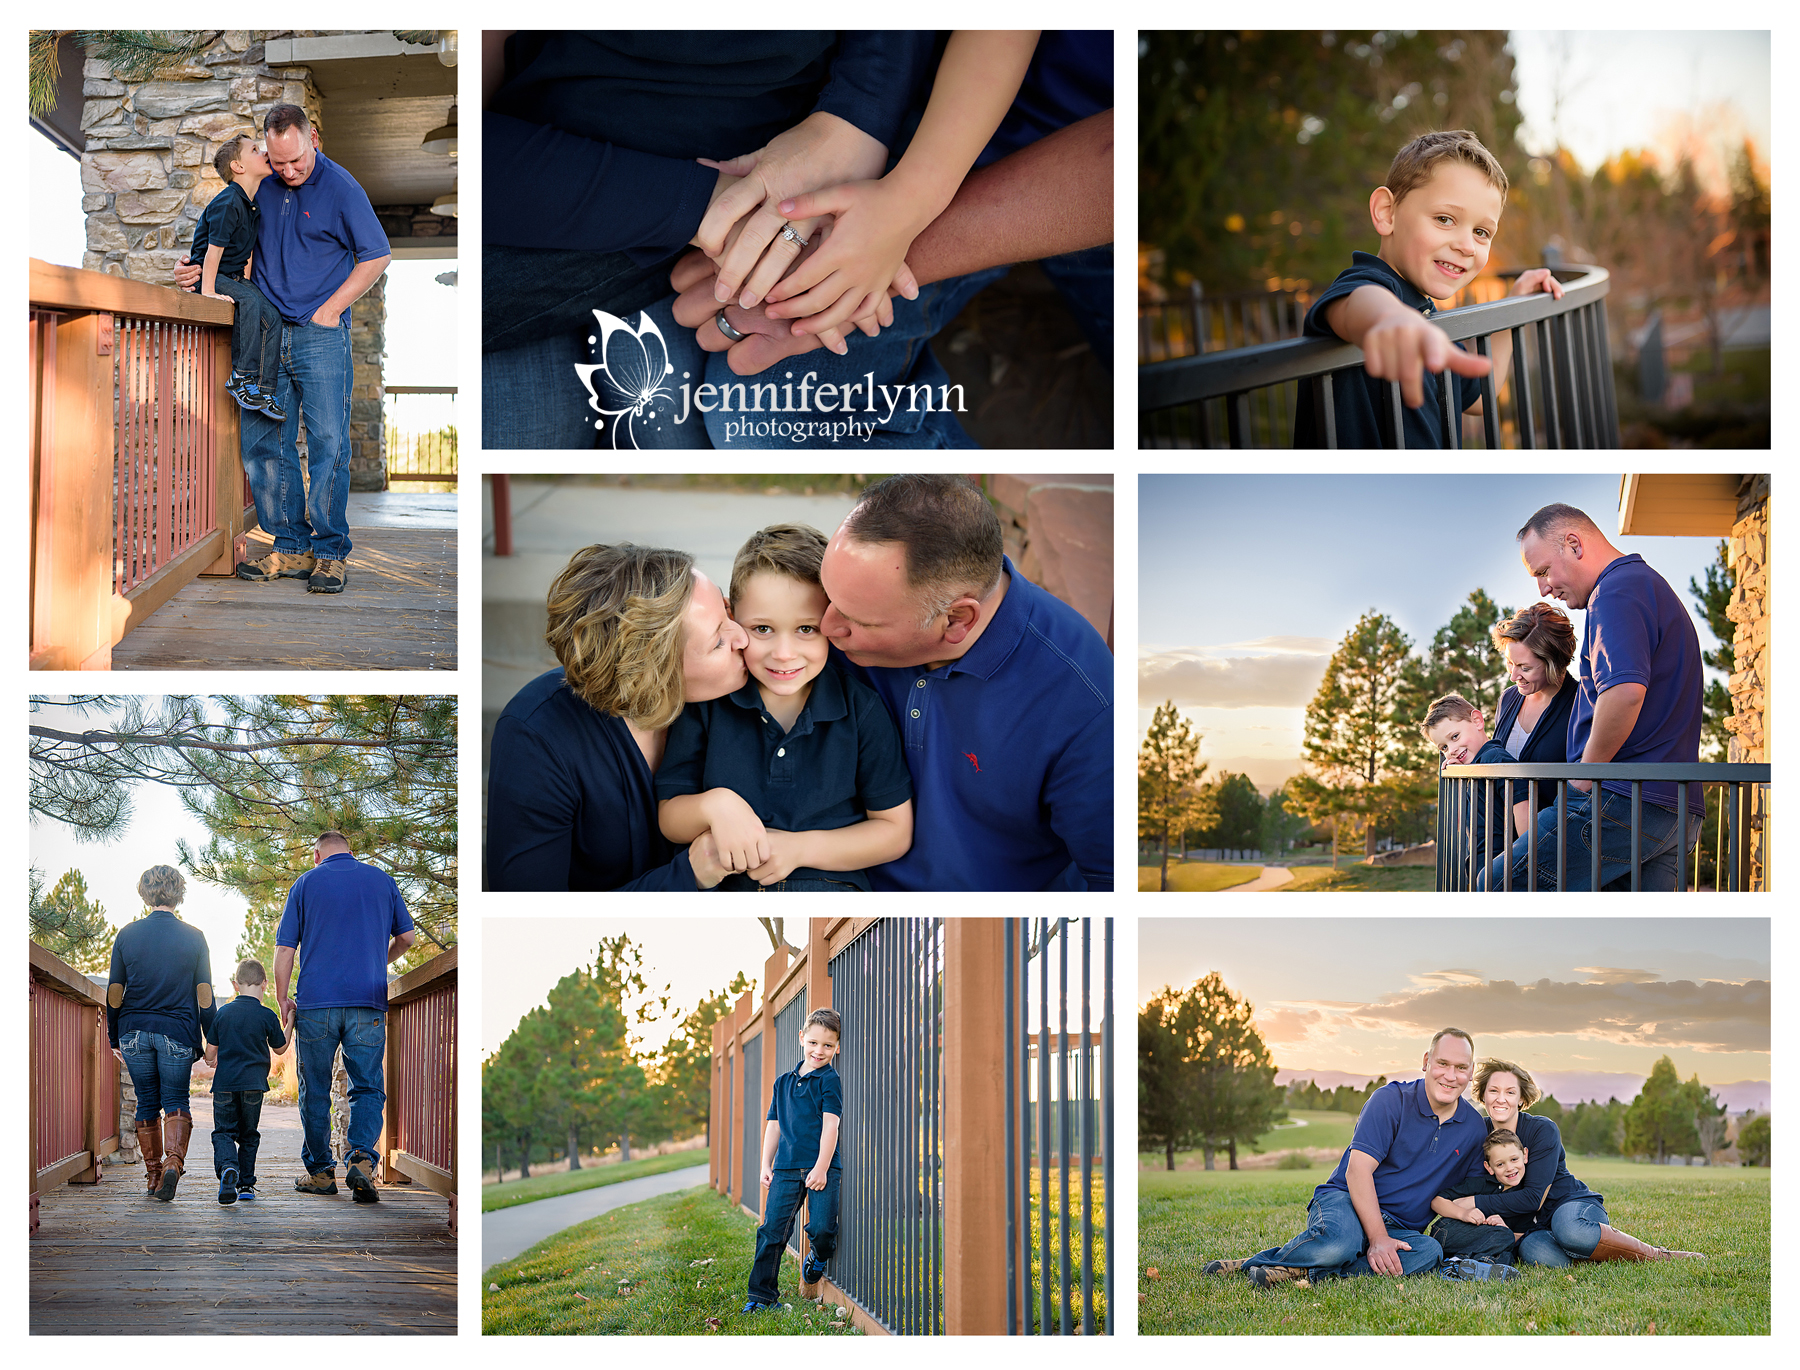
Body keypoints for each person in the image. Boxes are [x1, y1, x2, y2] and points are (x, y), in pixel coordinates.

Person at [818, 475, 1112, 889]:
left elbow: (1107, 882)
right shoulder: (850, 617)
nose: (825, 625)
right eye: (828, 596)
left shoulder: (1085, 701)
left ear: (957, 620)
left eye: (858, 620)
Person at [173, 103, 391, 595]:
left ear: (312, 137)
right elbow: (227, 244)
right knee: (265, 443)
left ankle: (331, 553)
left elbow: (376, 255)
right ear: (265, 151)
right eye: (277, 161)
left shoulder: (341, 186)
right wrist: (196, 273)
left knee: (327, 445)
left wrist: (331, 310)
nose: (288, 171)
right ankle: (290, 546)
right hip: (266, 334)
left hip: (319, 333)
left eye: (296, 160)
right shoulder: (257, 187)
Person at [656, 523, 914, 890]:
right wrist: (715, 805)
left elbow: (894, 831)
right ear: (733, 618)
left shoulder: (861, 710)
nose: (783, 653)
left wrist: (798, 849)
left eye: (806, 629)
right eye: (762, 629)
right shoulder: (708, 705)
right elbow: (670, 815)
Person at [485, 544, 743, 890]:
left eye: (727, 611)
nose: (742, 636)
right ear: (654, 670)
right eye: (718, 642)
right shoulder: (536, 738)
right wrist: (689, 874)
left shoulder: (744, 690)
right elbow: (529, 913)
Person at [1293, 130, 1565, 448]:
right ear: (1386, 212)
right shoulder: (1367, 287)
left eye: (1481, 231)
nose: (1465, 246)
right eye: (1445, 219)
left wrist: (1514, 307)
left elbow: (1479, 395)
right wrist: (1391, 319)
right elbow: (1360, 306)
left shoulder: (1426, 314)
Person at [1484, 504, 1705, 890]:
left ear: (1574, 544)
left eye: (1543, 571)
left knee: (1494, 884)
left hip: (1619, 799)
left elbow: (1624, 693)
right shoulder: (1647, 584)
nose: (1544, 589)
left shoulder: (1616, 591)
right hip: (1673, 808)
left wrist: (1582, 779)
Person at [1205, 1028, 1487, 1287]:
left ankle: (1307, 1269)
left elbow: (1469, 1191)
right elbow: (1357, 1171)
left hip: (1401, 1227)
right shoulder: (1390, 1101)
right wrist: (1377, 1239)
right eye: (1443, 1064)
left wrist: (1493, 1217)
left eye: (1461, 1068)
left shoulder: (1474, 1127)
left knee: (1428, 1252)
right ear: (1427, 1061)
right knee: (1341, 1242)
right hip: (1346, 1200)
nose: (1451, 1076)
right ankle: (1260, 1263)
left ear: (1471, 1072)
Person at [275, 831, 415, 1200]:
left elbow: (285, 949)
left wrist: (281, 998)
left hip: (316, 1004)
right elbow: (407, 939)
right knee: (367, 1086)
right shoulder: (382, 880)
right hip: (367, 1000)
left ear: (317, 855)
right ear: (350, 851)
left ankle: (322, 1173)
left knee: (314, 1088)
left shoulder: (305, 883)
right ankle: (361, 1160)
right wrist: (375, 962)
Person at [1450, 1059, 1702, 1264]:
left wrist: (1473, 1202)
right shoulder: (1478, 1134)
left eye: (1510, 1092)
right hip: (1532, 1229)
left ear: (1521, 1099)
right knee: (1543, 1258)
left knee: (1570, 1231)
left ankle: (1658, 1255)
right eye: (1493, 1091)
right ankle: (1590, 1251)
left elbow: (1532, 1197)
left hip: (1570, 1206)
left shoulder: (1541, 1130)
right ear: (1482, 1095)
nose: (1500, 1098)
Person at [106, 865, 216, 1202]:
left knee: (147, 1102)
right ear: (179, 894)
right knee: (176, 1102)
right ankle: (172, 1163)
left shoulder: (127, 934)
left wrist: (114, 1037)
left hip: (134, 1031)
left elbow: (114, 991)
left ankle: (153, 1175)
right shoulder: (194, 937)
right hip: (177, 1032)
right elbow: (204, 994)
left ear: (145, 893)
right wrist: (211, 1040)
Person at [744, 1008, 843, 1315]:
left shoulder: (830, 1080)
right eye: (814, 1042)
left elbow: (831, 1125)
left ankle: (817, 1256)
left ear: (837, 1047)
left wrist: (822, 1167)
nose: (819, 1050)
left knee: (824, 1229)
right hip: (786, 1168)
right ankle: (761, 1297)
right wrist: (765, 1164)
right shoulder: (783, 1083)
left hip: (821, 1169)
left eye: (828, 1045)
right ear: (802, 1038)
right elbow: (773, 1125)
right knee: (771, 1231)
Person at [191, 134, 285, 421]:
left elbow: (244, 253)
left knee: (273, 317)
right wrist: (207, 291)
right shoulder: (229, 202)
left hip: (231, 275)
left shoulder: (250, 203)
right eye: (256, 150)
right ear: (238, 167)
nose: (264, 152)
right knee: (249, 302)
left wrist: (245, 283)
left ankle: (265, 389)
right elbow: (212, 252)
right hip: (211, 274)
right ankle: (240, 378)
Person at [1488, 602, 1580, 837]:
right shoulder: (1508, 699)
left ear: (1554, 663)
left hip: (1553, 842)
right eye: (1510, 663)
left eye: (1524, 668)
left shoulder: (1582, 705)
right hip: (1502, 840)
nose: (1513, 676)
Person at [204, 957, 288, 1206]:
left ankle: (229, 1168)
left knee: (223, 1132)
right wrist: (290, 1020)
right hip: (254, 1084)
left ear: (235, 984)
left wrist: (211, 1060)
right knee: (249, 1134)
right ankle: (247, 1185)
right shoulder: (266, 1014)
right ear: (264, 984)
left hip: (225, 1084)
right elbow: (281, 1048)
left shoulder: (224, 1013)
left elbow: (210, 1050)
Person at [1422, 691, 1513, 884]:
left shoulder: (1494, 759)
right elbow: (1465, 824)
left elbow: (1523, 813)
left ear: (1478, 721)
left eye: (1454, 736)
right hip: (1482, 869)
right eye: (1444, 748)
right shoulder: (1475, 768)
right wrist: (1459, 778)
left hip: (1500, 870)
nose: (1451, 750)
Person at [1426, 1128, 1529, 1279]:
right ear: (1489, 1167)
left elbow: (1515, 1238)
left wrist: (1503, 1227)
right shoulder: (1481, 1183)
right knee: (1505, 1237)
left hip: (1484, 1242)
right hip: (1448, 1232)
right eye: (1500, 1164)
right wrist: (1464, 1213)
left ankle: (1478, 1266)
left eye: (1514, 1159)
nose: (1509, 1168)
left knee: (1508, 1255)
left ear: (1525, 1155)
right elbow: (1437, 1202)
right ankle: (1456, 1263)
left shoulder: (1525, 1196)